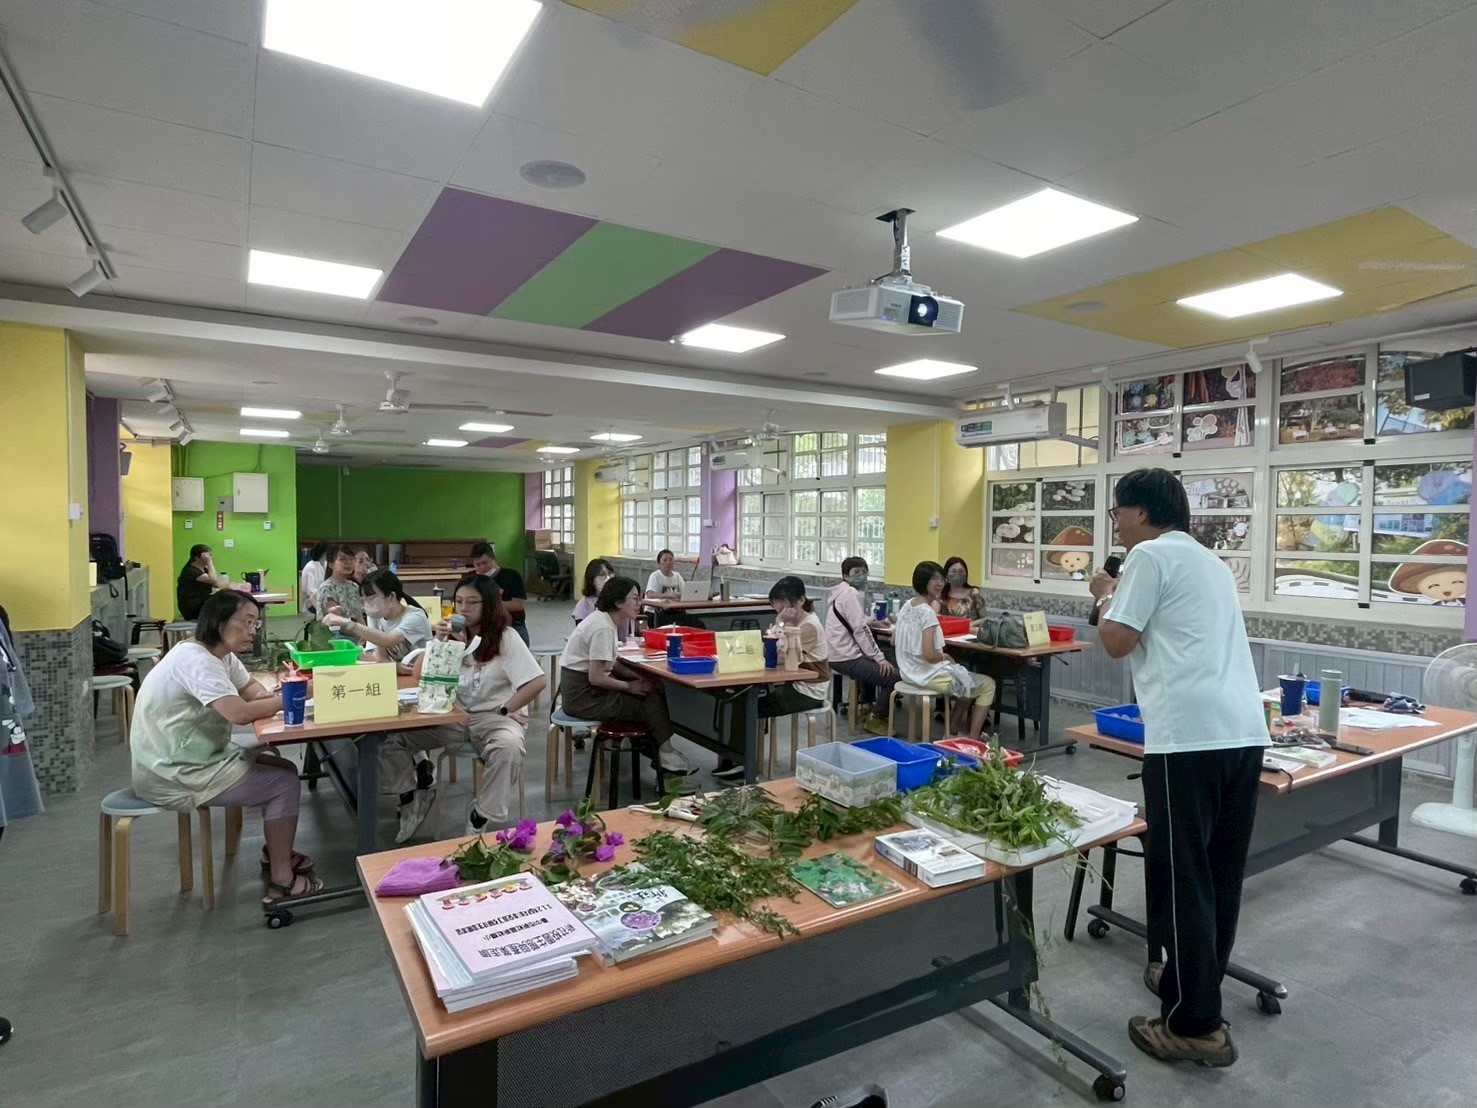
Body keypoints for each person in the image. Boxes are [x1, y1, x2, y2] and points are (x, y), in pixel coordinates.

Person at [1090, 468, 1267, 1068]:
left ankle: (1195, 1025)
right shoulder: (1211, 562)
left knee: (1183, 875)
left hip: (1187, 739)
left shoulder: (1148, 556)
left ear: (1140, 512)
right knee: (1219, 875)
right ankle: (1191, 987)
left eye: (1117, 512)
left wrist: (1104, 593)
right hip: (1242, 734)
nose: (1116, 523)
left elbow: (1117, 640)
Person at [129, 591, 323, 904]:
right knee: (283, 784)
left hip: (192, 756)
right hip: (172, 772)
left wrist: (271, 697)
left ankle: (278, 852)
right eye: (246, 622)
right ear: (218, 621)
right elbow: (239, 713)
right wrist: (296, 694)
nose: (253, 631)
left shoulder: (220, 655)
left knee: (283, 766)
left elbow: (251, 689)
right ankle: (283, 880)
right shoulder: (196, 661)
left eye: (255, 624)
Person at [391, 574, 547, 842]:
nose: (463, 608)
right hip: (453, 717)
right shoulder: (451, 636)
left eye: (472, 602)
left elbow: (537, 681)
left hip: (493, 717)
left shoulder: (505, 637)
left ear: (489, 605)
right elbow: (418, 674)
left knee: (509, 747)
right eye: (459, 601)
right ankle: (412, 794)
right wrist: (438, 642)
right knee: (392, 739)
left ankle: (480, 814)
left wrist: (506, 709)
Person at [559, 575, 694, 780]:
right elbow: (596, 677)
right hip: (584, 698)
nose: (639, 603)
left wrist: (637, 676)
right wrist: (630, 686)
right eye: (634, 598)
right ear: (618, 602)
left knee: (649, 688)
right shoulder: (602, 628)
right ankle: (666, 756)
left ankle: (662, 755)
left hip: (585, 691)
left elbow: (612, 663)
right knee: (649, 699)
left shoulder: (604, 620)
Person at [894, 561, 996, 740]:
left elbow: (895, 639)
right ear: (922, 580)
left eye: (942, 579)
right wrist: (945, 656)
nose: (940, 583)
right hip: (925, 675)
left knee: (965, 677)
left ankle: (953, 731)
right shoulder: (927, 613)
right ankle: (973, 740)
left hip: (908, 671)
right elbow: (929, 654)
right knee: (987, 684)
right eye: (934, 579)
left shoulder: (907, 605)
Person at [826, 557, 897, 736]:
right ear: (845, 575)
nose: (861, 576)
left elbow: (855, 620)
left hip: (836, 653)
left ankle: (867, 706)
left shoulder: (841, 592)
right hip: (845, 657)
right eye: (856, 572)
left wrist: (871, 621)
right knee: (893, 677)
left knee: (876, 662)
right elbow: (860, 630)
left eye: (864, 572)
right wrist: (879, 658)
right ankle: (876, 718)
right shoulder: (850, 594)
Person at [324, 569, 431, 668]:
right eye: (364, 600)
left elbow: (387, 640)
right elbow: (380, 656)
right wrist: (395, 668)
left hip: (424, 671)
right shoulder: (376, 617)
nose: (366, 604)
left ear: (391, 597)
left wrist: (347, 623)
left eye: (371, 598)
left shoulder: (415, 617)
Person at [470, 542, 529, 645]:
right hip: (482, 625)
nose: (482, 567)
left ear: (494, 559)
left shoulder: (512, 576)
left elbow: (519, 605)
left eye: (485, 563)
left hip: (513, 625)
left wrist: (490, 604)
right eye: (477, 565)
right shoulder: (472, 579)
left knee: (519, 649)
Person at [176, 544, 229, 620]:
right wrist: (209, 562)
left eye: (210, 555)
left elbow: (216, 584)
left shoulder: (204, 569)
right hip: (193, 607)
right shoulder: (190, 571)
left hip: (203, 602)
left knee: (227, 600)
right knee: (222, 604)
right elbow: (213, 579)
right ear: (197, 557)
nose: (210, 557)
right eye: (207, 556)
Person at [316, 545, 363, 622]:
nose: (348, 562)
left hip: (354, 628)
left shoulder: (354, 586)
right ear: (331, 564)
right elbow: (335, 619)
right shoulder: (327, 588)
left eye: (351, 559)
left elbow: (359, 616)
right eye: (342, 559)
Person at [940, 557, 989, 628]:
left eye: (961, 571)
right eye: (953, 571)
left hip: (972, 632)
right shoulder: (942, 596)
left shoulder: (974, 594)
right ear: (946, 575)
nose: (957, 574)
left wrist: (971, 624)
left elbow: (985, 619)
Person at [298, 542, 327, 615]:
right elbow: (310, 591)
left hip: (322, 599)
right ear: (324, 554)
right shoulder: (311, 567)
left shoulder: (324, 564)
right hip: (311, 602)